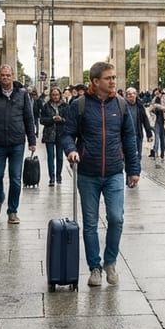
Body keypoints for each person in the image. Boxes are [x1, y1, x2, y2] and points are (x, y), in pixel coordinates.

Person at [59, 62, 141, 287]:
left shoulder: (121, 105)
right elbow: (67, 134)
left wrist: (133, 169)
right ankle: (94, 267)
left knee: (116, 218)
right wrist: (72, 150)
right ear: (95, 81)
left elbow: (130, 139)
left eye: (114, 77)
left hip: (114, 171)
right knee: (90, 223)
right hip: (88, 172)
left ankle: (110, 261)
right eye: (108, 78)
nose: (113, 81)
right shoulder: (79, 105)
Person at [0, 64, 37, 224]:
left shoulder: (22, 94)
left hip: (17, 142)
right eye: (3, 75)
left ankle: (12, 211)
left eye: (8, 75)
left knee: (15, 178)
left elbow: (28, 118)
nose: (5, 78)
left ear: (13, 76)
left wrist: (32, 140)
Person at [39, 87, 66, 187]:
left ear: (60, 95)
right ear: (50, 95)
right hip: (49, 134)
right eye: (53, 95)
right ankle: (51, 178)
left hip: (60, 133)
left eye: (57, 94)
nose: (55, 96)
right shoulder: (46, 106)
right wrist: (52, 119)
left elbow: (69, 119)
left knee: (60, 156)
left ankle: (58, 175)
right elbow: (41, 120)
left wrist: (62, 119)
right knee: (50, 157)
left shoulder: (65, 106)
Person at [124, 87, 153, 168]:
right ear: (126, 96)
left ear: (136, 95)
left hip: (137, 135)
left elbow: (145, 120)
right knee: (128, 158)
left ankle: (135, 174)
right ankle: (129, 177)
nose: (131, 96)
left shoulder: (139, 106)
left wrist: (149, 134)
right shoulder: (123, 106)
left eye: (133, 94)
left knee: (138, 157)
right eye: (129, 94)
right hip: (126, 137)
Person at [148, 88, 165, 162]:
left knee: (163, 139)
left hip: (163, 122)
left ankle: (162, 153)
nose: (158, 95)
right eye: (157, 94)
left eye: (159, 93)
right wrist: (160, 107)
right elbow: (151, 109)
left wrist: (163, 103)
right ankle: (155, 153)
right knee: (157, 138)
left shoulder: (164, 101)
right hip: (157, 122)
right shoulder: (154, 100)